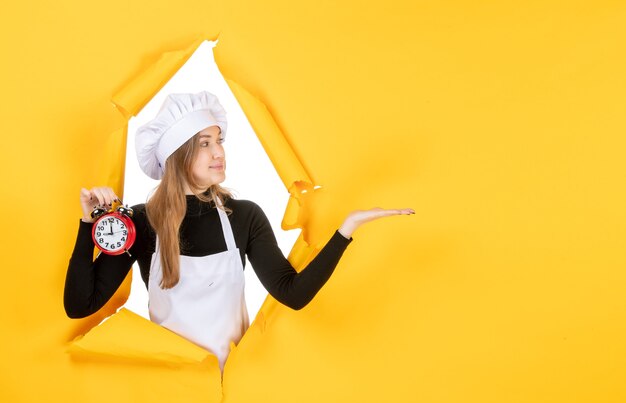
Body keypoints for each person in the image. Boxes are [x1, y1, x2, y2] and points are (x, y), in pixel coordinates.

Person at [64, 91, 415, 373]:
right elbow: (81, 305)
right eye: (204, 143)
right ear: (176, 154)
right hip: (170, 391)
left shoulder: (243, 216)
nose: (219, 152)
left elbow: (292, 294)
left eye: (219, 141)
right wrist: (87, 225)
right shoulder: (141, 222)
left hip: (234, 391)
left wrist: (345, 230)